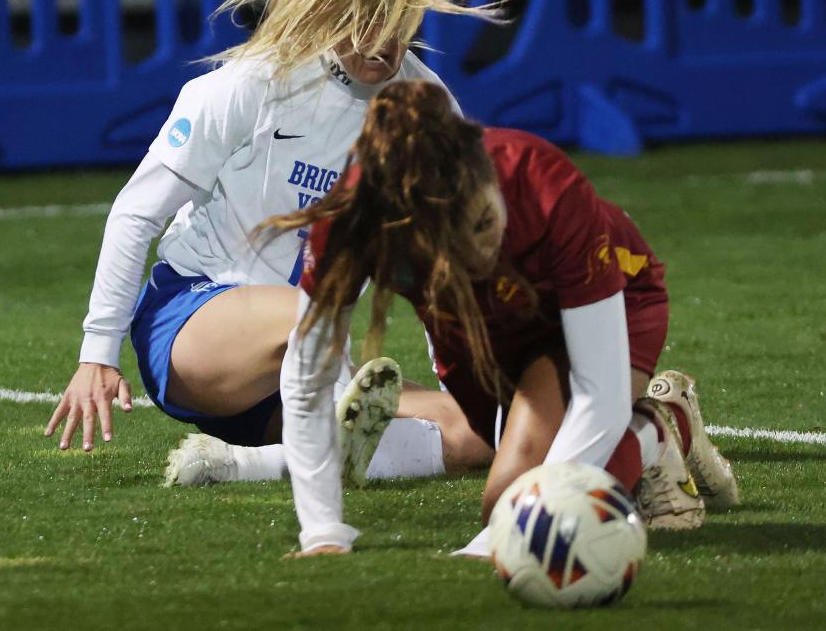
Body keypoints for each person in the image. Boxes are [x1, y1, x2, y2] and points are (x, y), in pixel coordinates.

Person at [43, 0, 501, 483]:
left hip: (308, 363)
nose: (378, 36)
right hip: (194, 328)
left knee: (480, 429)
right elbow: (136, 214)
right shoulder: (252, 81)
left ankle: (247, 466)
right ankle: (326, 443)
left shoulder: (428, 106)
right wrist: (96, 355)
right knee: (307, 311)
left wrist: (482, 380)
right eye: (364, 10)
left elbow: (456, 258)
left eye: (397, 14)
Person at [261, 80, 739, 557]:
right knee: (507, 494)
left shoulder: (547, 186)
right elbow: (307, 381)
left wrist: (501, 540)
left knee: (510, 510)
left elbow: (600, 391)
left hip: (613, 298)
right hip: (478, 327)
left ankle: (651, 433)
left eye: (485, 222)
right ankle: (652, 428)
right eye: (456, 239)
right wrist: (322, 532)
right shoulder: (351, 226)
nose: (482, 248)